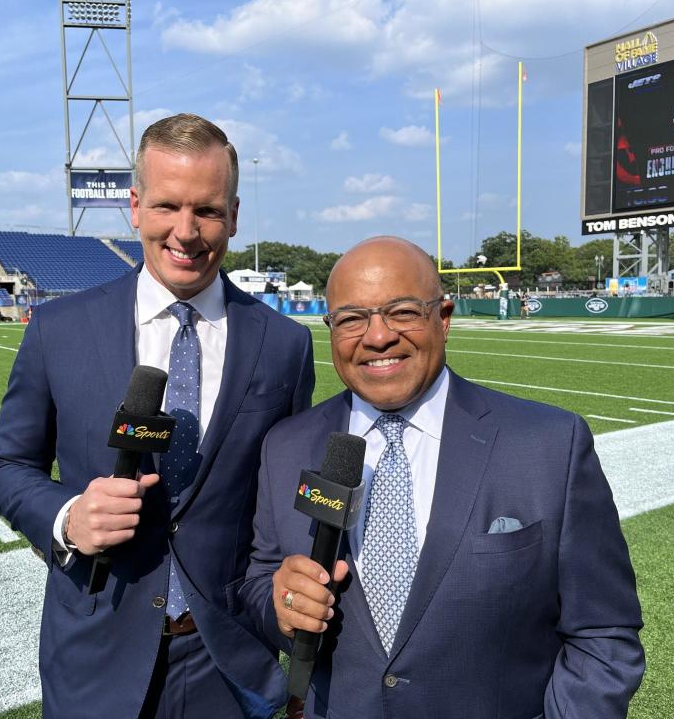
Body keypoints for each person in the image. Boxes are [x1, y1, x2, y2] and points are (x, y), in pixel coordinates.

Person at [0, 113, 314, 719]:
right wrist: (66, 516)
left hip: (230, 660)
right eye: (166, 206)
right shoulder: (60, 329)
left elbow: (285, 498)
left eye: (208, 211)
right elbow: (6, 466)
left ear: (234, 215)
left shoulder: (285, 344)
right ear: (135, 206)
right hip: (95, 655)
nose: (186, 232)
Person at [240, 236, 645, 718]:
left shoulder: (550, 444)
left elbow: (603, 633)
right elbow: (260, 582)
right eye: (351, 319)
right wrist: (280, 605)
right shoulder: (286, 445)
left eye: (403, 311)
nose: (377, 337)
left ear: (444, 318)